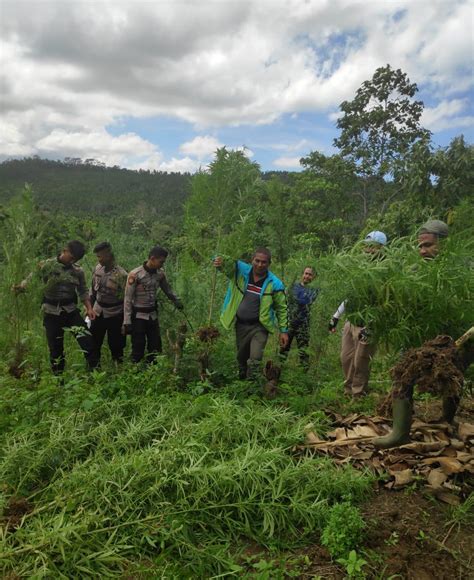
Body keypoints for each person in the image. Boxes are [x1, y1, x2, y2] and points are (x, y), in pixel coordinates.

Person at [374, 219, 455, 448]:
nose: (422, 251)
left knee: (452, 377)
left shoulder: (459, 270)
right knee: (403, 374)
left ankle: (448, 422)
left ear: (444, 244)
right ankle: (400, 432)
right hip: (414, 335)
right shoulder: (413, 271)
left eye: (427, 245)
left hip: (449, 336)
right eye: (419, 246)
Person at [13, 240, 96, 374]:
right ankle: (59, 379)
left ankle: (94, 373)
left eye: (75, 259)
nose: (72, 260)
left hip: (70, 310)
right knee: (56, 349)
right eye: (72, 256)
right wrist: (21, 287)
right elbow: (31, 279)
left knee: (87, 340)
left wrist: (89, 308)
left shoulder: (78, 271)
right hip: (51, 311)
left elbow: (83, 290)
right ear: (65, 250)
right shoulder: (47, 266)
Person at [213, 247, 289, 382]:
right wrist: (218, 262)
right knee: (241, 358)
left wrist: (284, 331)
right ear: (251, 260)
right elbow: (225, 262)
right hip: (241, 325)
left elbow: (281, 308)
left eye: (264, 262)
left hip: (260, 327)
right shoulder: (240, 271)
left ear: (269, 263)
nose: (260, 265)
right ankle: (241, 384)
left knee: (255, 358)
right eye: (257, 261)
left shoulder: (275, 283)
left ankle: (252, 388)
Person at [328, 230, 387, 397]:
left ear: (382, 249)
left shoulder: (385, 273)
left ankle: (358, 395)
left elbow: (384, 303)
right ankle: (348, 390)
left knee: (360, 362)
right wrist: (335, 317)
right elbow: (350, 296)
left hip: (368, 324)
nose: (368, 250)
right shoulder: (358, 270)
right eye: (366, 246)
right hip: (351, 321)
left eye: (373, 247)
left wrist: (373, 325)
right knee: (346, 358)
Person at [123, 246, 183, 363]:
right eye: (161, 262)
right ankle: (136, 371)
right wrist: (127, 321)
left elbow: (168, 290)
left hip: (153, 315)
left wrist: (177, 300)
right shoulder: (135, 274)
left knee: (155, 346)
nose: (162, 265)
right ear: (152, 258)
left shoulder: (160, 274)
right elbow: (128, 298)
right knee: (138, 346)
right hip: (139, 316)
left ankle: (153, 371)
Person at [89, 242, 128, 366]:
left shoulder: (122, 275)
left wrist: (126, 320)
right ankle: (94, 368)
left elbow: (127, 299)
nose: (98, 259)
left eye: (100, 256)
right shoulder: (97, 269)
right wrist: (89, 309)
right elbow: (93, 290)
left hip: (115, 313)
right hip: (98, 310)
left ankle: (118, 368)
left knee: (116, 345)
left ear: (108, 256)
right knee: (94, 342)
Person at [280, 266, 319, 369]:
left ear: (313, 277)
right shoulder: (294, 286)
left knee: (304, 352)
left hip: (303, 325)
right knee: (283, 349)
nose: (307, 276)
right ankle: (276, 374)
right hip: (290, 323)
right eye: (306, 273)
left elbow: (307, 301)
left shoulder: (314, 289)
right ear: (302, 274)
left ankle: (303, 376)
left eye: (310, 274)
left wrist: (298, 297)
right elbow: (288, 299)